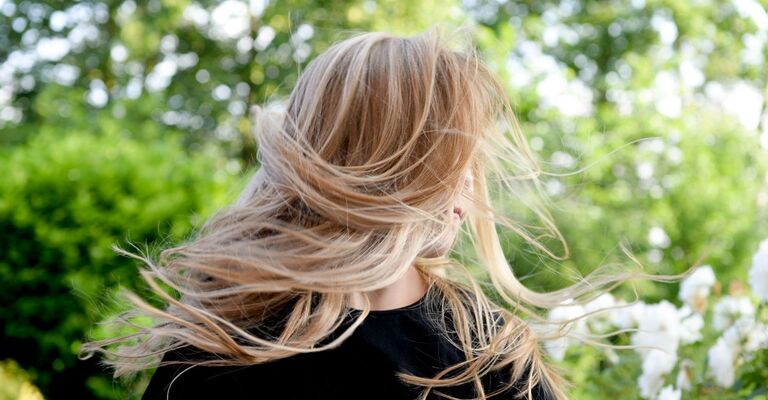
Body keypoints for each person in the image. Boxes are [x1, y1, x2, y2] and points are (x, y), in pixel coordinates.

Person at [80, 25, 693, 400]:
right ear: (390, 168)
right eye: (454, 158)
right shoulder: (228, 350)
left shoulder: (486, 352)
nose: (471, 184)